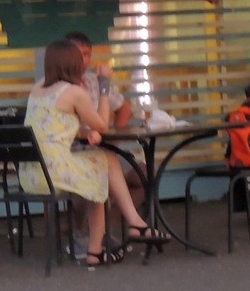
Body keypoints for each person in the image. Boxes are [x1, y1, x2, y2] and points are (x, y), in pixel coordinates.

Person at [22, 39, 159, 267]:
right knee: (105, 163)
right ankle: (118, 234)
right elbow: (103, 124)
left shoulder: (37, 89)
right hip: (55, 172)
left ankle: (109, 240)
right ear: (74, 64)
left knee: (103, 163)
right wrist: (104, 85)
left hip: (32, 174)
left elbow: (53, 127)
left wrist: (85, 133)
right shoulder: (74, 92)